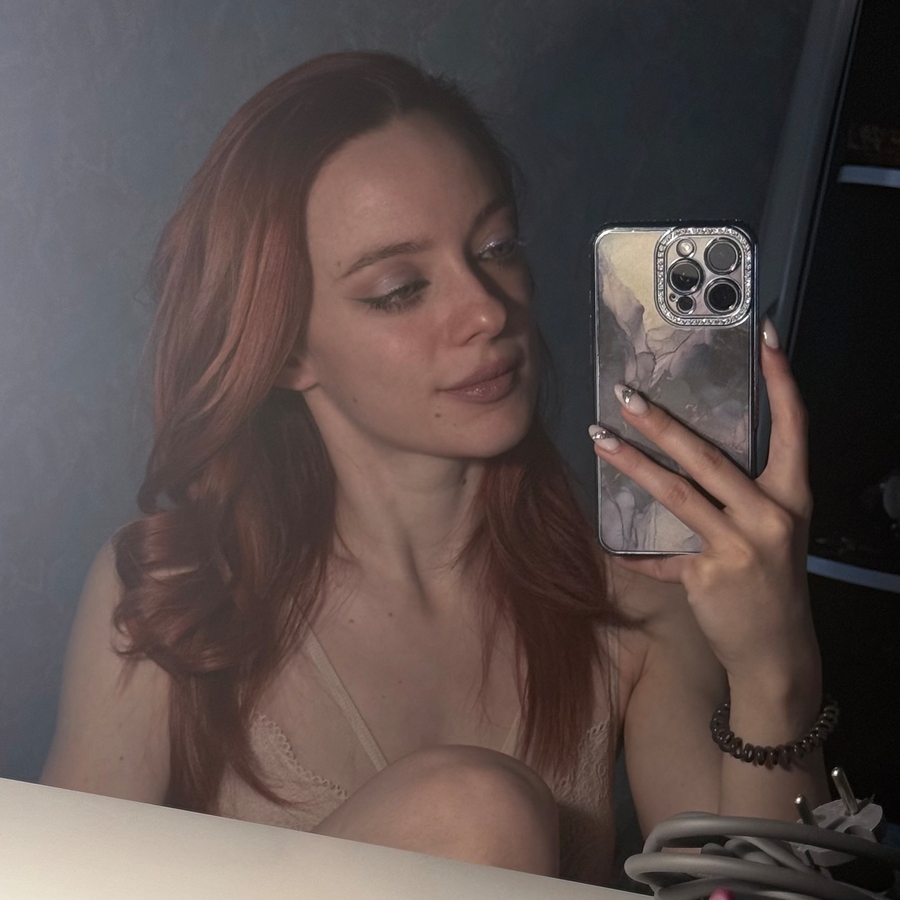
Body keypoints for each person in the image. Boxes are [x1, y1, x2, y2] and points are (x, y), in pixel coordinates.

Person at [40, 51, 829, 886]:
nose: (487, 310)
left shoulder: (634, 595)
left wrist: (773, 667)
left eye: (496, 247)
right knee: (470, 810)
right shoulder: (174, 595)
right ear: (286, 350)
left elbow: (739, 889)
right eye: (399, 289)